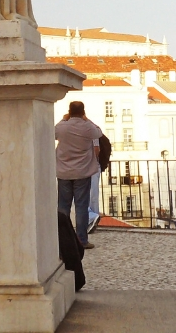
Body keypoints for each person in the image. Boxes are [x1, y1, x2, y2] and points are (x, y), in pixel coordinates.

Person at [55, 101, 102, 249]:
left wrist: (64, 119)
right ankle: (82, 240)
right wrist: (86, 119)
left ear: (69, 111)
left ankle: (63, 240)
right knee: (81, 207)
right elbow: (98, 132)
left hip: (64, 172)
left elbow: (53, 132)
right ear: (83, 112)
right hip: (82, 172)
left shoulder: (62, 126)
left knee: (63, 207)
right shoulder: (87, 127)